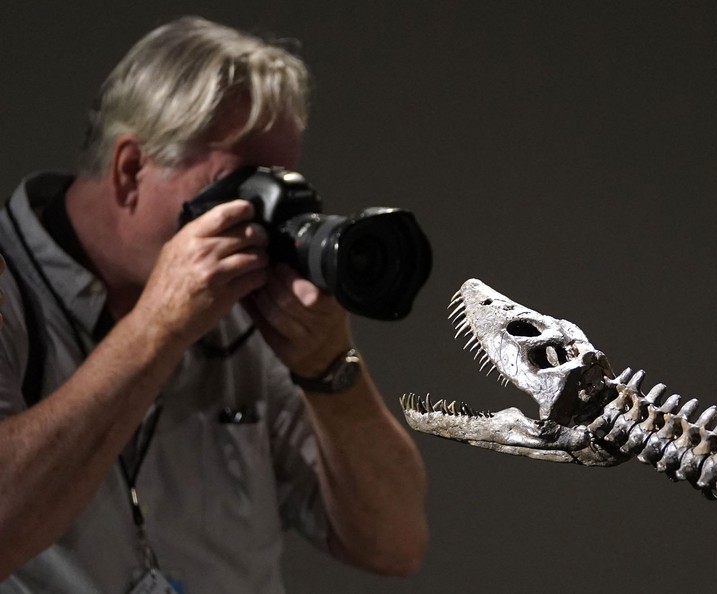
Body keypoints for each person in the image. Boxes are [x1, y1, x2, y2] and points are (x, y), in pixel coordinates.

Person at [0, 16, 428, 593]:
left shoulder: (238, 311)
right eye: (243, 187)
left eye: (280, 183)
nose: (266, 216)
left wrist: (329, 367)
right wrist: (156, 329)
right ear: (131, 171)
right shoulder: (12, 289)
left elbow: (395, 542)